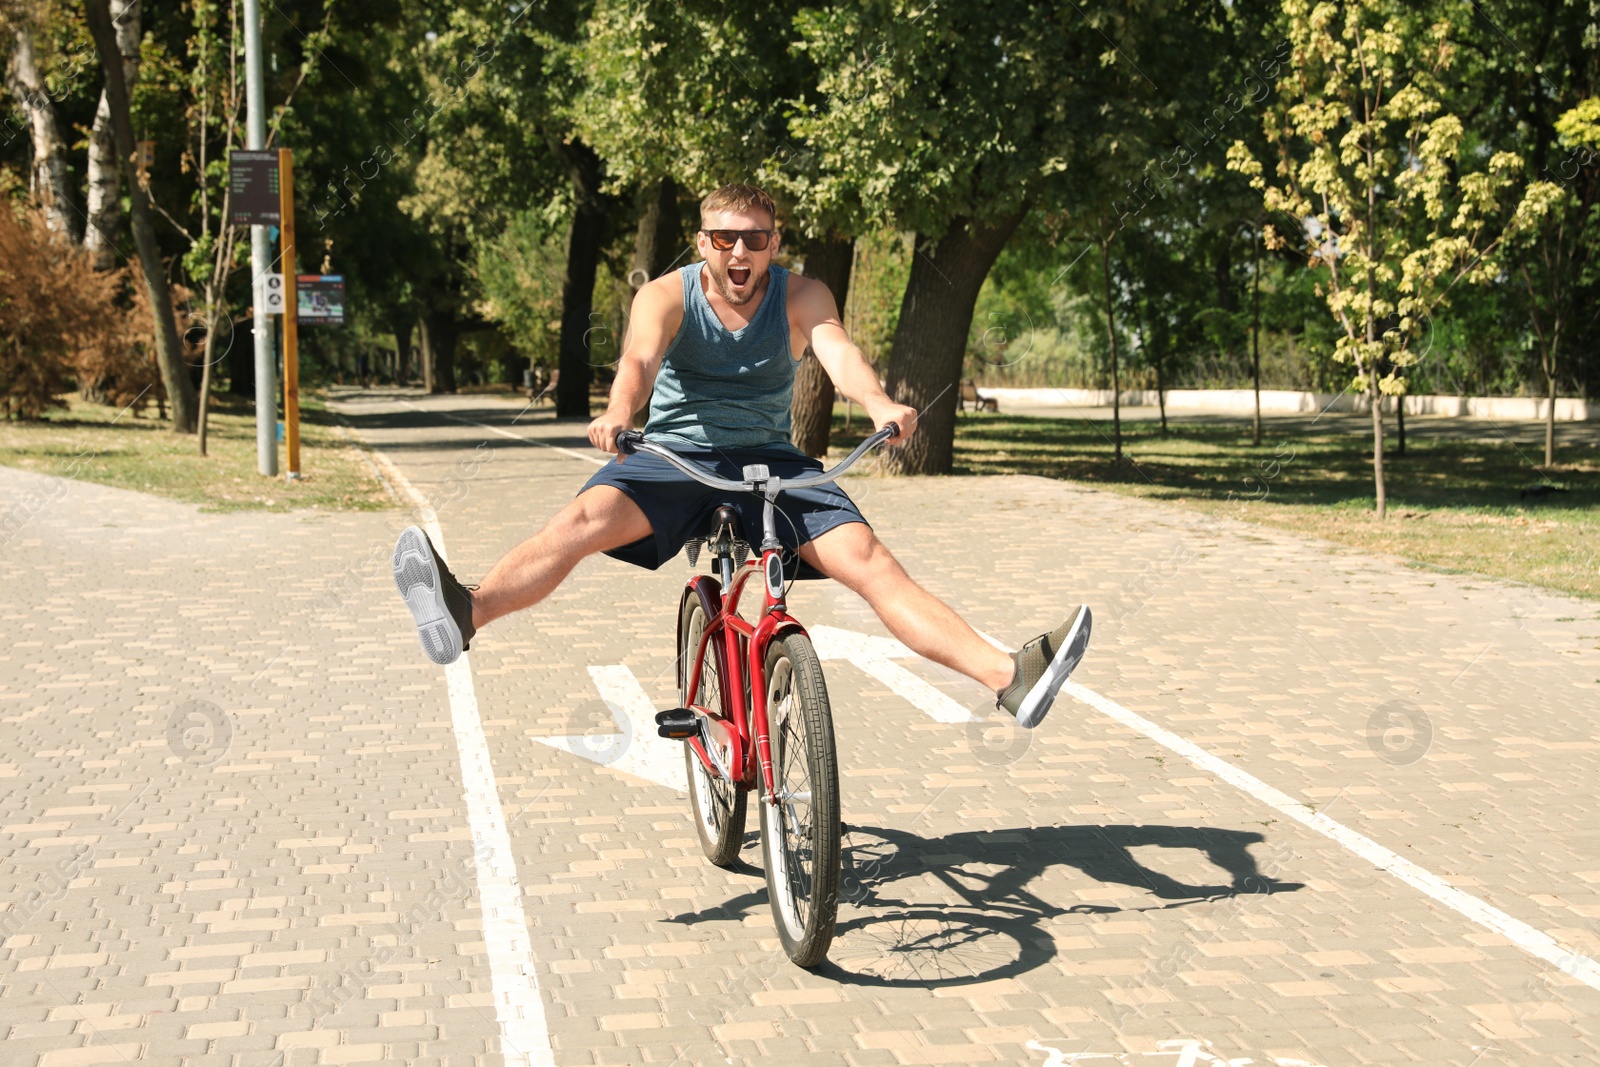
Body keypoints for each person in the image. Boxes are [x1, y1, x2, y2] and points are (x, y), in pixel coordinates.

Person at [392, 183, 1090, 727]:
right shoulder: (666, 295)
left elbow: (837, 351)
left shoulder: (803, 293)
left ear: (773, 241)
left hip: (773, 464)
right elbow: (637, 359)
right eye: (724, 237)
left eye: (754, 238)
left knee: (873, 565)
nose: (739, 252)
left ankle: (1009, 678)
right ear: (703, 241)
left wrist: (877, 403)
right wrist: (615, 413)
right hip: (674, 455)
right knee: (577, 523)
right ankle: (467, 610)